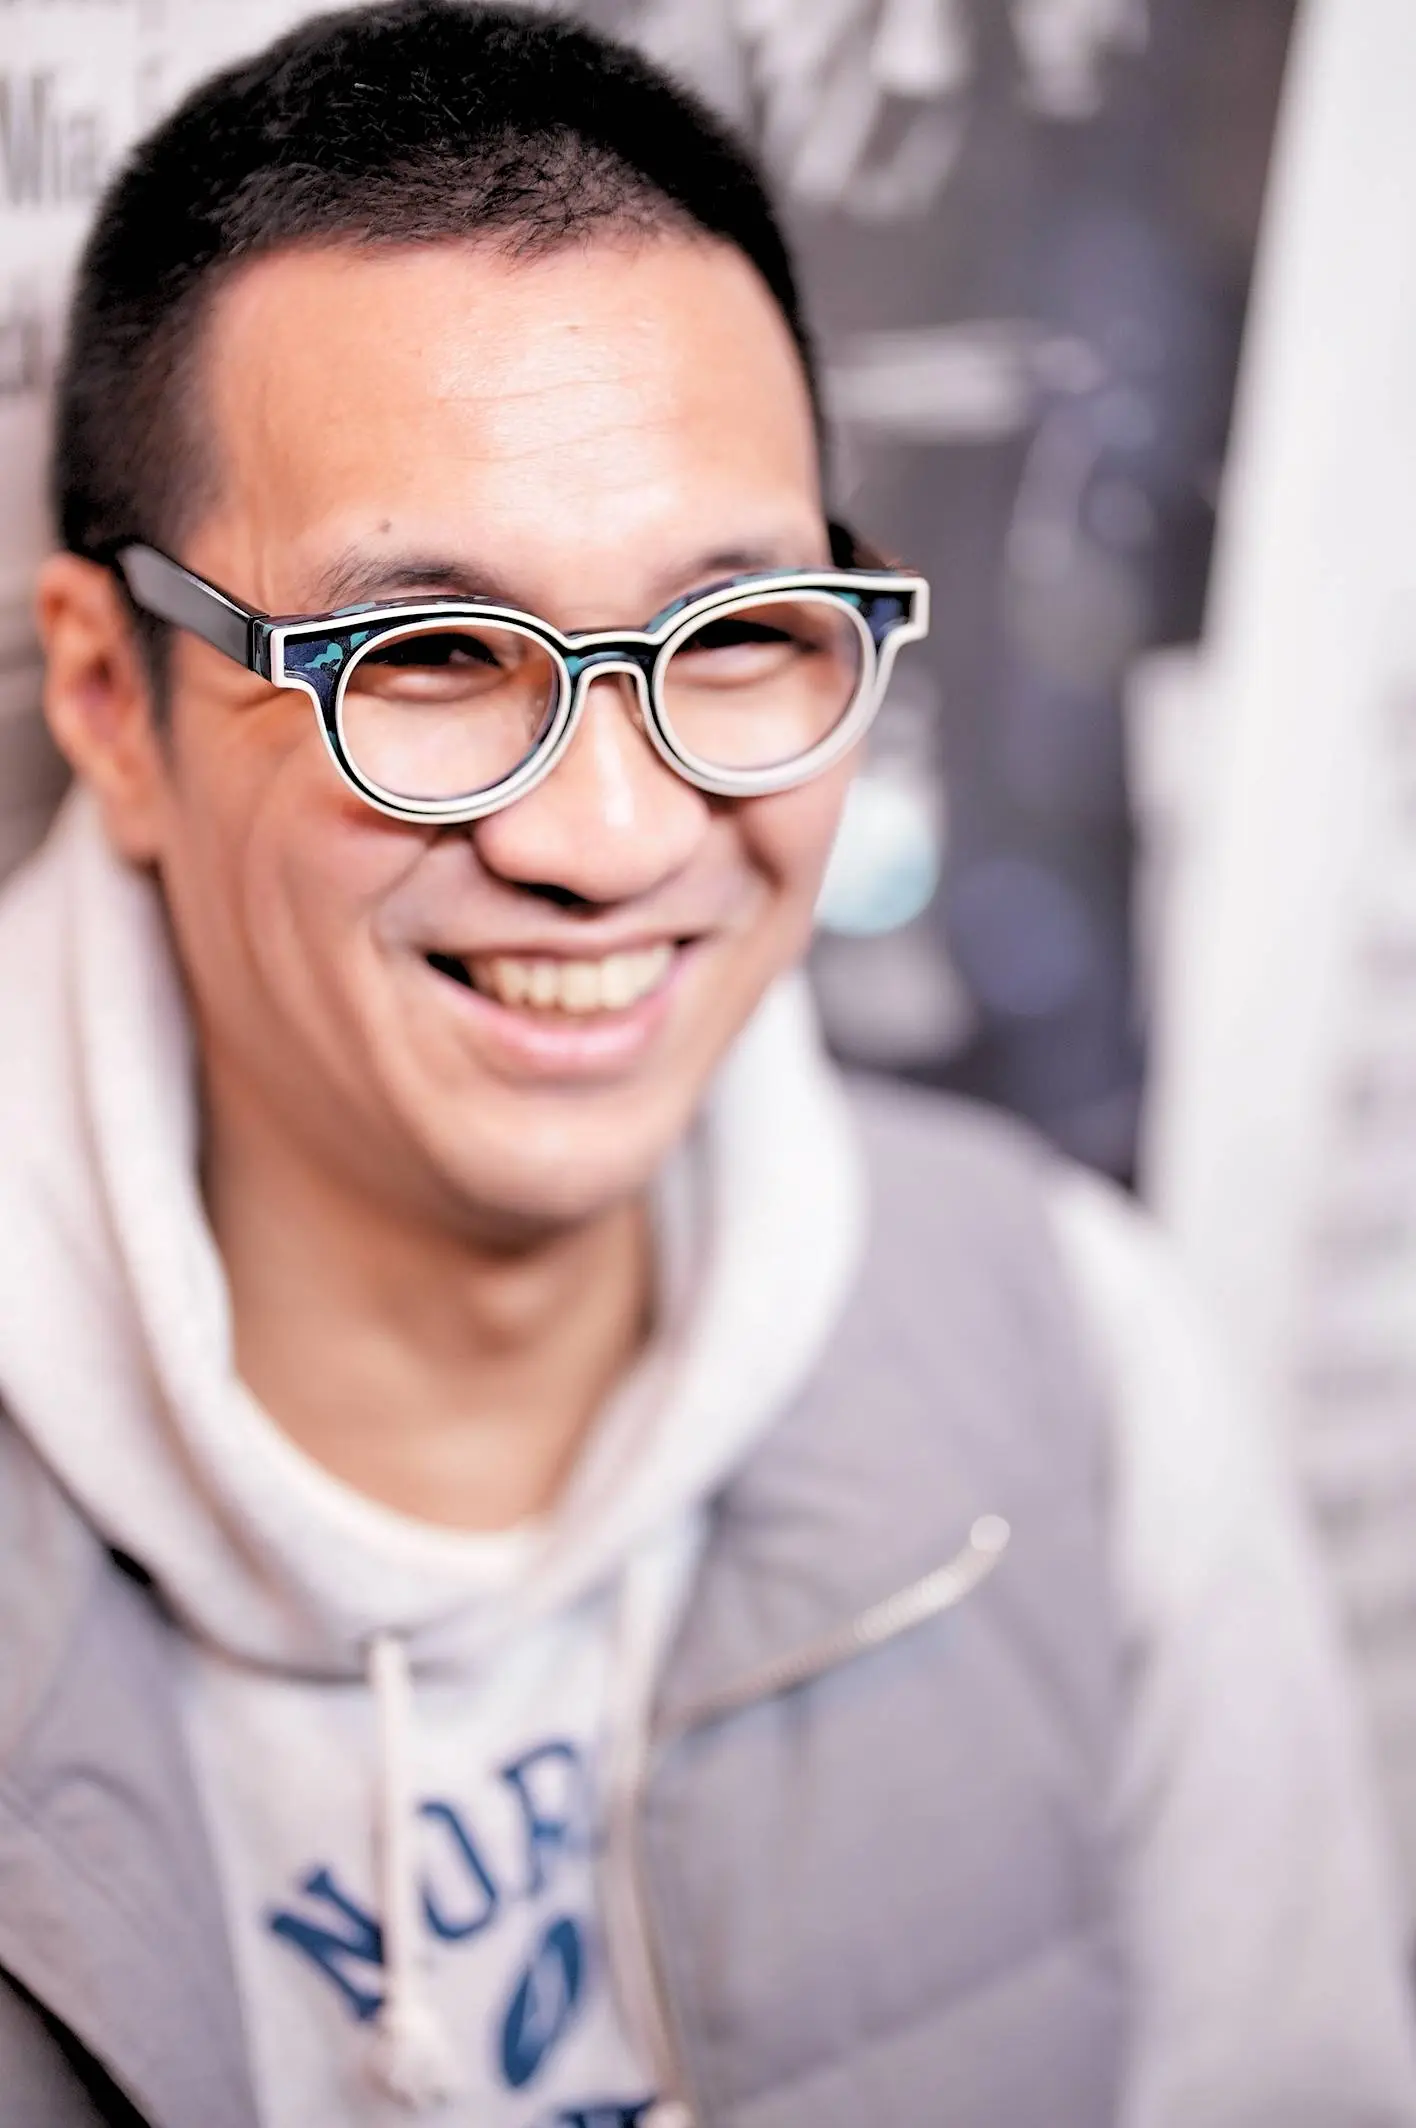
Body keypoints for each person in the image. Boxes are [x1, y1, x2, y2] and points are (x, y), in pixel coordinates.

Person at [0, 5, 1410, 2124]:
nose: (612, 837)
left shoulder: (1080, 1370)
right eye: (429, 654)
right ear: (113, 704)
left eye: (737, 636)